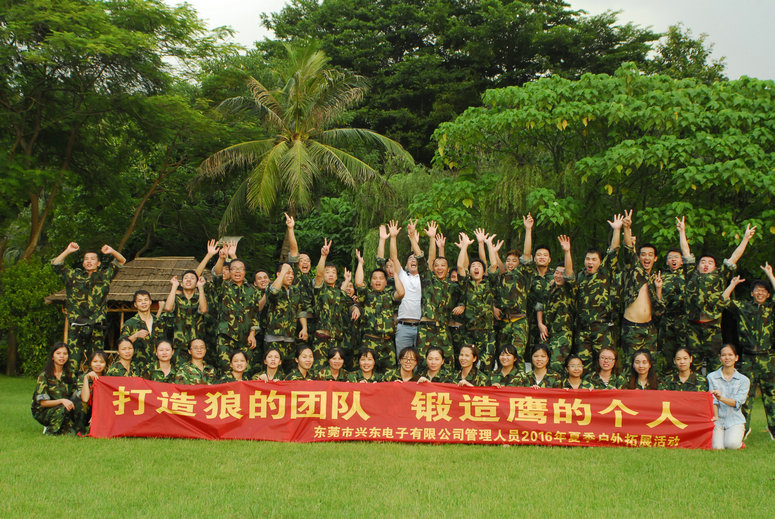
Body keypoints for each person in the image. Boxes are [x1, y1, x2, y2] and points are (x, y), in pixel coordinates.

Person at [678, 216, 755, 372]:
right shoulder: (692, 274)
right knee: (693, 363)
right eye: (703, 262)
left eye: (710, 263)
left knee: (715, 363)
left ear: (714, 266)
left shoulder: (720, 276)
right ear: (698, 265)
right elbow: (685, 252)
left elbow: (734, 257)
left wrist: (746, 238)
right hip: (693, 326)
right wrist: (682, 231)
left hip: (712, 326)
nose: (706, 265)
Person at [51, 242, 126, 372]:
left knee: (97, 364)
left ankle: (94, 385)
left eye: (92, 259)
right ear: (83, 263)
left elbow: (121, 261)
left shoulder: (104, 276)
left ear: (98, 263)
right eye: (86, 259)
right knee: (72, 364)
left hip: (96, 326)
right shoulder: (74, 277)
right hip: (77, 326)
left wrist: (111, 250)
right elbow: (56, 264)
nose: (89, 261)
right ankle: (70, 385)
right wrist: (68, 250)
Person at [721, 266, 775, 439]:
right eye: (757, 290)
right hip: (748, 357)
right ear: (752, 293)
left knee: (771, 394)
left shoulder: (770, 309)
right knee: (745, 394)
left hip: (768, 357)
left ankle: (773, 428)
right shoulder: (744, 307)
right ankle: (742, 428)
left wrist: (770, 275)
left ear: (768, 294)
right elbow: (723, 300)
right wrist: (732, 284)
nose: (760, 293)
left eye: (764, 291)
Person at [408, 221, 465, 365]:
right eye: (436, 266)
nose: (439, 268)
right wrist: (413, 238)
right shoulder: (428, 280)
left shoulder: (453, 286)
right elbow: (420, 257)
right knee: (422, 363)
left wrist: (462, 305)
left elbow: (466, 294)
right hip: (426, 328)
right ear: (433, 268)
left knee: (448, 362)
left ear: (448, 269)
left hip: (443, 329)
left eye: (443, 266)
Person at [575, 214, 624, 371]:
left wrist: (617, 230)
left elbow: (613, 251)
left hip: (602, 327)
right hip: (583, 328)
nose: (590, 262)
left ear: (600, 261)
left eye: (594, 259)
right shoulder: (580, 276)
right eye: (588, 259)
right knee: (583, 364)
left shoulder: (605, 273)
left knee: (605, 362)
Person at [620, 210, 665, 365]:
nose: (647, 257)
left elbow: (659, 310)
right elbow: (628, 250)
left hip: (649, 328)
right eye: (643, 254)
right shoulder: (633, 271)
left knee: (650, 366)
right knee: (631, 365)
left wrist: (658, 289)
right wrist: (627, 228)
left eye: (650, 255)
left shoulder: (655, 279)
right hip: (632, 326)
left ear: (655, 258)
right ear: (639, 257)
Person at [490, 215, 534, 368]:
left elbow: (526, 255)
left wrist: (528, 230)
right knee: (503, 358)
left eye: (514, 261)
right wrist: (494, 252)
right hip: (504, 322)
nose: (510, 263)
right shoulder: (503, 277)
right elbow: (500, 269)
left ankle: (518, 381)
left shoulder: (522, 274)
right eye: (508, 260)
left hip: (519, 322)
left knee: (517, 357)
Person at [311, 239, 360, 371]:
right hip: (322, 339)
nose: (330, 274)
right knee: (319, 371)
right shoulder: (320, 289)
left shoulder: (340, 293)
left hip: (337, 340)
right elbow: (318, 275)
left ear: (337, 276)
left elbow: (351, 304)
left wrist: (355, 308)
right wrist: (323, 256)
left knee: (336, 372)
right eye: (327, 272)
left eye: (333, 272)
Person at [355, 250, 405, 371]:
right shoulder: (367, 294)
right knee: (368, 372)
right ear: (371, 282)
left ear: (386, 282)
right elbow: (359, 283)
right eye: (375, 278)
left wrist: (395, 273)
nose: (378, 281)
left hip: (387, 343)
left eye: (381, 278)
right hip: (370, 341)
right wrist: (360, 263)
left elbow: (401, 293)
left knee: (390, 374)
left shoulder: (389, 295)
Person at [457, 232, 498, 371]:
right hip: (469, 332)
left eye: (479, 266)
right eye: (473, 266)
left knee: (487, 366)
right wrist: (465, 246)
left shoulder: (489, 284)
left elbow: (494, 265)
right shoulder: (465, 285)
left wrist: (488, 244)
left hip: (487, 332)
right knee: (467, 366)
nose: (476, 268)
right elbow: (460, 267)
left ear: (483, 271)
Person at [535, 235, 575, 375]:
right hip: (547, 333)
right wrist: (540, 324)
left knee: (556, 365)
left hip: (562, 334)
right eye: (556, 273)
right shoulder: (550, 287)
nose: (558, 276)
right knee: (540, 363)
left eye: (561, 274)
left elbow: (569, 274)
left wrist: (567, 252)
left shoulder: (569, 289)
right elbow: (539, 305)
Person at [264, 262, 307, 372]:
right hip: (274, 337)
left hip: (290, 337)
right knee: (274, 369)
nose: (291, 276)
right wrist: (283, 271)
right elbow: (274, 292)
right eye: (287, 273)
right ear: (279, 274)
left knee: (289, 370)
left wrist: (304, 328)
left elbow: (300, 311)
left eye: (292, 274)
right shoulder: (272, 286)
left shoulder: (295, 291)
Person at [708, 344, 751, 450]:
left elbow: (737, 402)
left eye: (730, 355)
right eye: (724, 355)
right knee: (717, 447)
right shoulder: (711, 377)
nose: (727, 358)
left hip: (735, 420)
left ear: (736, 358)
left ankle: (739, 443)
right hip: (717, 420)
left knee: (731, 445)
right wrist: (715, 417)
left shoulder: (744, 380)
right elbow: (713, 401)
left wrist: (721, 398)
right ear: (720, 358)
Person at [390, 219, 423, 356]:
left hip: (421, 327)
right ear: (406, 264)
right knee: (402, 359)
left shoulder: (424, 278)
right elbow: (393, 257)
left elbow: (422, 257)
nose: (413, 260)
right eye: (410, 259)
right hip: (403, 327)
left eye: (415, 259)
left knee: (421, 361)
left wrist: (413, 239)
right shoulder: (402, 275)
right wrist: (393, 237)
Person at [32, 342, 78, 435]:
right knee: (61, 409)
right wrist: (61, 401)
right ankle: (50, 431)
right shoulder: (44, 376)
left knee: (73, 433)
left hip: (65, 409)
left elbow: (75, 396)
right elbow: (43, 403)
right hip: (44, 411)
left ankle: (63, 425)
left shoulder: (70, 375)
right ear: (52, 357)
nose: (62, 356)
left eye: (65, 354)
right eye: (58, 353)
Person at [163, 269, 208, 364]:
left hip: (196, 346)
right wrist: (174, 286)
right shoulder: (176, 299)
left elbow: (203, 310)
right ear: (182, 283)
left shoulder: (199, 299)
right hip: (179, 344)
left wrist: (200, 287)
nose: (188, 280)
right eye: (186, 278)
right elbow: (168, 308)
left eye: (192, 278)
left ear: (196, 283)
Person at [122, 289, 169, 370]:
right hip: (137, 368)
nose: (143, 303)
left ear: (150, 302)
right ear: (135, 304)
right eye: (140, 301)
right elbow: (122, 345)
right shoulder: (130, 323)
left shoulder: (159, 322)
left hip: (157, 369)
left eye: (146, 300)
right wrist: (135, 336)